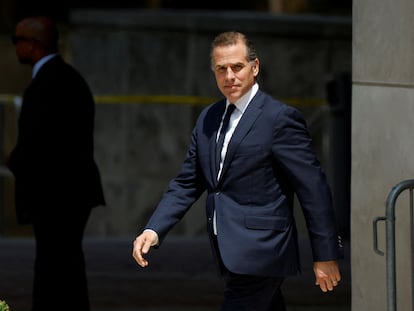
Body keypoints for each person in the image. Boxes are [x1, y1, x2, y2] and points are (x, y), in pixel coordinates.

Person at [132, 31, 342, 310]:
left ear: (255, 67)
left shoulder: (279, 119)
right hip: (228, 252)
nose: (229, 76)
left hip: (263, 252)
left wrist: (325, 254)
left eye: (237, 67)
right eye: (221, 69)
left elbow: (313, 188)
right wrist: (154, 229)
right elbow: (187, 182)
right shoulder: (209, 118)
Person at [7, 15, 105, 311]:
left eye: (18, 40)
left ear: (34, 45)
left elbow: (41, 143)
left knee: (53, 270)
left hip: (56, 195)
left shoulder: (48, 83)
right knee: (66, 268)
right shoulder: (67, 79)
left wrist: (15, 158)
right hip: (69, 193)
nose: (15, 47)